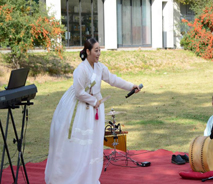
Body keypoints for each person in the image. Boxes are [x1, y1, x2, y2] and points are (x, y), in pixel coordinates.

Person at [45, 38, 141, 184]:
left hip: (94, 109)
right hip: (78, 109)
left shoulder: (100, 67)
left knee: (93, 143)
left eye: (99, 50)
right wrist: (94, 101)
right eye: (96, 50)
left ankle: (88, 177)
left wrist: (131, 86)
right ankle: (68, 177)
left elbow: (113, 79)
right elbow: (78, 92)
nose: (99, 54)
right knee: (78, 143)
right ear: (88, 51)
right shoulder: (81, 70)